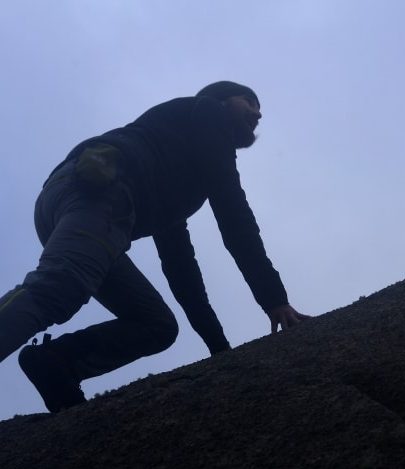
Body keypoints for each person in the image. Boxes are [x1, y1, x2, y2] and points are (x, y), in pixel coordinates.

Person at [0, 81, 308, 413]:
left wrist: (220, 350)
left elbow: (181, 269)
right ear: (222, 100)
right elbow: (234, 215)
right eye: (248, 101)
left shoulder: (173, 165)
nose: (257, 113)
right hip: (100, 192)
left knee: (156, 325)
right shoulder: (208, 112)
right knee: (56, 289)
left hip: (86, 207)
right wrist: (274, 299)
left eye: (259, 108)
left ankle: (55, 364)